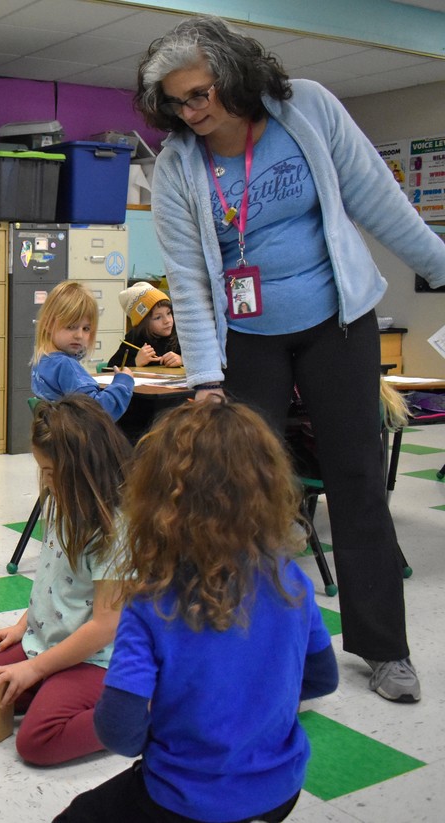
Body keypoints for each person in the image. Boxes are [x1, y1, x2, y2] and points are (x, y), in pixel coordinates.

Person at [134, 14, 445, 702]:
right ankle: (254, 642)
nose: (194, 110)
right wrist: (207, 378)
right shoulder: (180, 167)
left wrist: (441, 265)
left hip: (338, 321)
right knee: (246, 491)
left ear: (235, 73)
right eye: (179, 102)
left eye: (203, 92)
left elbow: (381, 203)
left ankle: (384, 648)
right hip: (249, 338)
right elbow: (185, 278)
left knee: (359, 480)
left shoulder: (307, 110)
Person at [55, 400, 338, 823]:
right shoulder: (290, 579)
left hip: (182, 799)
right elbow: (322, 679)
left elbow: (118, 733)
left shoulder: (152, 604)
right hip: (280, 791)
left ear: (153, 501)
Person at [0, 395, 131, 766]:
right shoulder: (61, 502)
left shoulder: (115, 529)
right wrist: (23, 625)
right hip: (48, 640)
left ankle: (137, 714)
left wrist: (36, 669)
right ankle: (56, 687)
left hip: (96, 659)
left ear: (86, 467)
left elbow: (105, 626)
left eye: (52, 472)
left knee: (37, 741)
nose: (46, 483)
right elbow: (53, 577)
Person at [30, 280, 134, 420]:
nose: (79, 335)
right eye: (71, 327)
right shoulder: (66, 366)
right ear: (48, 324)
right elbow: (100, 412)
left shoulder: (43, 360)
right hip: (79, 438)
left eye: (86, 329)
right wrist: (123, 383)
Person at [107, 282, 183, 368]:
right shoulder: (134, 338)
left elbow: (200, 359)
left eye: (169, 313)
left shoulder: (180, 333)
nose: (167, 321)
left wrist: (182, 360)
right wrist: (135, 362)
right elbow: (110, 369)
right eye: (158, 317)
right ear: (143, 323)